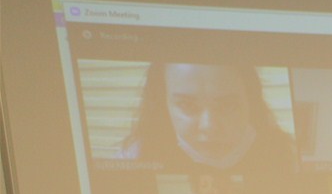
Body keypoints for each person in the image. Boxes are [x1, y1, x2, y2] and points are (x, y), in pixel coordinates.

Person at [116, 63, 296, 172]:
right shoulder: (135, 156)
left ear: (250, 102)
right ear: (163, 105)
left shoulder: (288, 157)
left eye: (227, 105)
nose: (209, 127)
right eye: (186, 105)